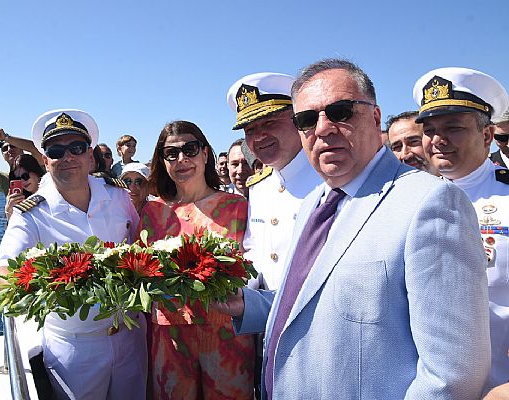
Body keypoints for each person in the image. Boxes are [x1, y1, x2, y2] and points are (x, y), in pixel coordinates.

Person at [217, 59, 490, 399]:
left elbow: (452, 376)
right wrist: (245, 304)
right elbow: (309, 304)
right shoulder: (315, 203)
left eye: (340, 112)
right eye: (307, 119)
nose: (323, 128)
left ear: (375, 117)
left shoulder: (430, 203)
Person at [0, 109, 147, 400]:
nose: (67, 157)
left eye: (77, 148)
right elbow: (4, 275)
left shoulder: (118, 195)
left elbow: (140, 245)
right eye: (56, 151)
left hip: (130, 336)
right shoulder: (31, 214)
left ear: (90, 156)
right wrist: (57, 283)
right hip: (75, 349)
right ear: (45, 160)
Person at [141, 120, 254, 400]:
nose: (182, 159)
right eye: (171, 153)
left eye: (190, 149)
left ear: (205, 153)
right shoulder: (152, 212)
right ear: (162, 161)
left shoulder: (237, 207)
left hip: (226, 332)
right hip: (170, 336)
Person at [414, 67, 509, 394]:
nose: (438, 140)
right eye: (429, 130)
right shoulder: (408, 200)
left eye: (453, 128)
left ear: (487, 135)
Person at [227, 72, 323, 291]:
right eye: (250, 129)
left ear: (296, 119)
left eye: (269, 122)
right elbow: (255, 251)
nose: (259, 136)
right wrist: (236, 292)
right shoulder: (259, 187)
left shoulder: (327, 178)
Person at [0, 119, 44, 196]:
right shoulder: (6, 180)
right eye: (5, 149)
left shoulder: (37, 166)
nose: (9, 150)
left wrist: (5, 137)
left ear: (22, 148)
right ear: (3, 156)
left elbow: (37, 150)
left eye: (13, 146)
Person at [4, 153, 45, 220]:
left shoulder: (52, 190)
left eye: (25, 176)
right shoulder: (23, 203)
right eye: (18, 179)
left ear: (35, 171)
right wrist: (9, 211)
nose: (22, 181)